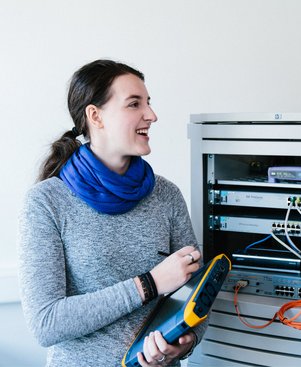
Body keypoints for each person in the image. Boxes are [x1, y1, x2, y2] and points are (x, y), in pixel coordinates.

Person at [18, 59, 204, 367]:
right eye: (134, 104)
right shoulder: (46, 202)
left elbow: (196, 293)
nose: (152, 115)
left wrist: (184, 344)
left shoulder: (166, 195)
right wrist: (149, 284)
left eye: (148, 103)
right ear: (95, 116)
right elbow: (46, 323)